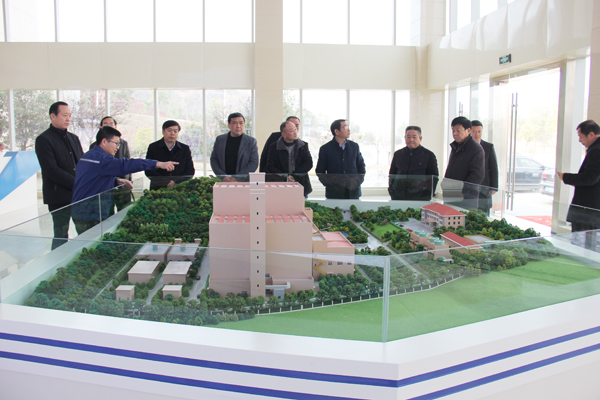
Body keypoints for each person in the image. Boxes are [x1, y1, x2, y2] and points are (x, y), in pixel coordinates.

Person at [71, 126, 178, 234]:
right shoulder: (102, 159)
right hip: (90, 214)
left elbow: (91, 178)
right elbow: (125, 165)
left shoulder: (89, 156)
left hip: (81, 211)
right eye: (116, 143)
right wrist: (157, 164)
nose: (117, 147)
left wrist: (115, 181)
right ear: (104, 142)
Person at [35, 101, 84, 250]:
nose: (68, 119)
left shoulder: (73, 138)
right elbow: (51, 169)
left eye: (69, 115)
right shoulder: (44, 139)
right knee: (61, 234)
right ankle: (57, 263)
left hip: (78, 195)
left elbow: (82, 164)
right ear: (53, 116)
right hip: (59, 197)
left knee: (84, 231)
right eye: (64, 115)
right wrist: (77, 183)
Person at [557, 120, 600, 249]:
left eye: (580, 136)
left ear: (591, 134)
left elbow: (589, 178)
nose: (579, 140)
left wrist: (566, 177)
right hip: (592, 207)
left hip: (589, 207)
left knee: (583, 244)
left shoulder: (597, 150)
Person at [90, 116, 133, 212]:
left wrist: (129, 181)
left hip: (122, 185)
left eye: (111, 124)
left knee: (124, 211)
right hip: (104, 188)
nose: (109, 126)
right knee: (107, 214)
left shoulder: (123, 143)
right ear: (101, 127)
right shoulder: (94, 146)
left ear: (116, 126)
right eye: (105, 124)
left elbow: (128, 163)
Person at [315, 119, 366, 199]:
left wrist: (357, 182)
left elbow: (361, 166)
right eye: (345, 127)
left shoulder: (354, 146)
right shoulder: (325, 149)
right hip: (334, 193)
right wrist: (330, 184)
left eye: (348, 126)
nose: (348, 130)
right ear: (337, 131)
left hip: (353, 192)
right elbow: (320, 171)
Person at [388, 126, 439, 200]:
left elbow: (434, 178)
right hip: (399, 197)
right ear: (405, 138)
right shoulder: (398, 154)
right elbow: (392, 175)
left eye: (414, 137)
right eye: (408, 137)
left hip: (420, 197)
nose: (411, 140)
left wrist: (427, 195)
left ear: (420, 138)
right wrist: (392, 192)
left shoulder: (429, 155)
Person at [266, 120, 313, 197]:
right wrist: (285, 176)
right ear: (283, 134)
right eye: (292, 131)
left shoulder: (303, 145)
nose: (295, 132)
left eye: (295, 129)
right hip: (281, 185)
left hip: (301, 184)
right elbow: (270, 166)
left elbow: (308, 163)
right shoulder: (274, 147)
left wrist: (294, 175)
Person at [443, 116, 485, 203]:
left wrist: (463, 191)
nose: (455, 133)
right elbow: (450, 168)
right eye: (453, 130)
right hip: (451, 193)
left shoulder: (476, 149)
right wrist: (445, 183)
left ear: (468, 130)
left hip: (465, 197)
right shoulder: (456, 146)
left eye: (458, 130)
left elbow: (477, 176)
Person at [145, 120, 195, 191]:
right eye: (169, 130)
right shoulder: (153, 147)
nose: (172, 133)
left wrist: (175, 182)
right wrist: (166, 182)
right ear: (163, 132)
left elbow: (190, 171)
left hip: (180, 189)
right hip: (157, 189)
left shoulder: (185, 149)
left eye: (175, 131)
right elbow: (148, 169)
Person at [210, 112, 259, 181]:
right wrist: (223, 176)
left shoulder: (251, 141)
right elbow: (214, 159)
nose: (238, 126)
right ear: (229, 125)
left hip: (243, 181)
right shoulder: (220, 140)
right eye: (235, 123)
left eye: (241, 123)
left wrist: (237, 178)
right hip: (224, 180)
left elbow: (253, 163)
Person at [471, 120, 499, 215]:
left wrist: (494, 187)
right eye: (474, 131)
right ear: (469, 132)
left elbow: (493, 167)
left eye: (479, 131)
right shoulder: (465, 147)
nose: (477, 134)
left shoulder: (488, 147)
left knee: (484, 213)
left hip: (484, 187)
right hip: (469, 187)